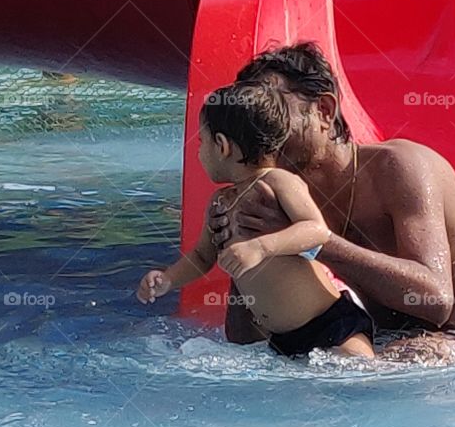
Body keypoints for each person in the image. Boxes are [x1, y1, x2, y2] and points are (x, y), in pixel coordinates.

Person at [211, 43, 455, 352]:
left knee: (407, 357)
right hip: (398, 344)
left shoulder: (400, 167)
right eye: (255, 115)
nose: (259, 128)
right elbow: (246, 342)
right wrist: (238, 243)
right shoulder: (286, 195)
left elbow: (434, 300)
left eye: (274, 110)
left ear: (324, 111)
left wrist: (314, 240)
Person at [136, 82, 374, 360]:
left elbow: (316, 230)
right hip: (283, 339)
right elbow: (202, 256)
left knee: (360, 368)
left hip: (331, 322)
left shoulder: (278, 182)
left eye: (201, 143)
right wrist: (168, 278)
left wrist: (261, 247)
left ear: (222, 146)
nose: (199, 153)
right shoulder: (220, 202)